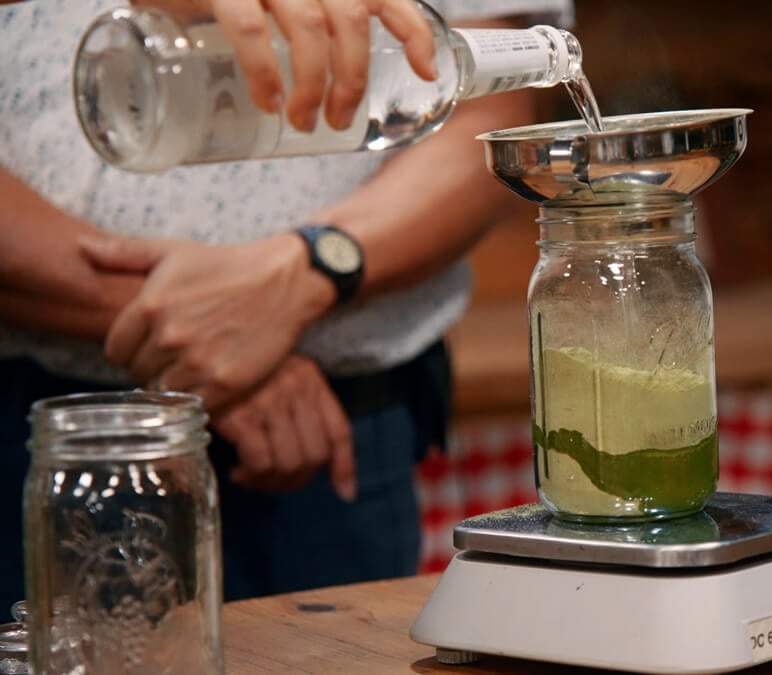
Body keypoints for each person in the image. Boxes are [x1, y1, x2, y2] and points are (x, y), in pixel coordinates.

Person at [0, 0, 572, 610]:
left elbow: (485, 126)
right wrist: (208, 324)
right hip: (36, 420)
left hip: (330, 437)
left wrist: (305, 272)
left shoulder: (454, 61)